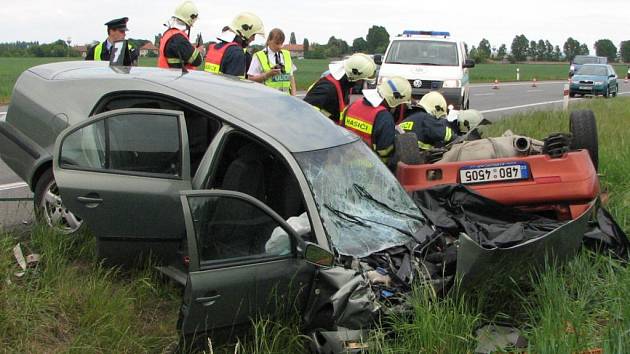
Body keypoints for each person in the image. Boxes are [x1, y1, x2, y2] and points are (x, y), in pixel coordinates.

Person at [340, 76, 411, 165]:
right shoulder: (385, 118)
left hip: (345, 162)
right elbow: (385, 153)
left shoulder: (353, 105)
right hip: (370, 169)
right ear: (394, 99)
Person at [304, 53, 376, 123]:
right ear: (354, 76)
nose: (362, 83)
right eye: (362, 80)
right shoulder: (327, 89)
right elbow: (306, 114)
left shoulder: (345, 84)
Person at [204, 12, 264, 78]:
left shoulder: (215, 47)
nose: (253, 39)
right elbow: (235, 85)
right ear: (245, 33)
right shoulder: (237, 53)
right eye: (253, 35)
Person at [247, 28, 297, 95]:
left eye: (281, 43)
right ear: (269, 41)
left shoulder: (286, 55)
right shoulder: (258, 56)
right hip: (267, 100)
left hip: (285, 100)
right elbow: (250, 79)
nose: (279, 46)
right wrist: (267, 75)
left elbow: (291, 77)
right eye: (277, 43)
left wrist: (294, 96)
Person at [157, 1, 204, 70]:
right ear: (190, 19)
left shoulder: (169, 34)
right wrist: (199, 51)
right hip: (178, 78)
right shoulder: (179, 39)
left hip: (167, 76)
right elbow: (197, 61)